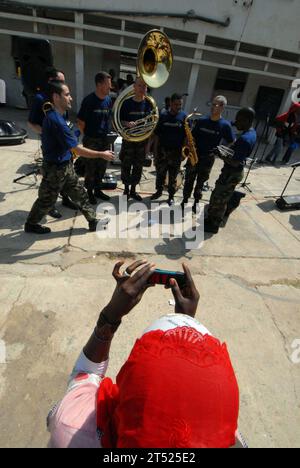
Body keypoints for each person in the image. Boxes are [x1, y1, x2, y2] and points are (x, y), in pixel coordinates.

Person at [47, 260, 246, 449]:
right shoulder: (230, 437)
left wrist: (111, 315)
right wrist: (185, 319)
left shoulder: (71, 429)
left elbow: (84, 375)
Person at [25, 81, 114, 235]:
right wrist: (101, 154)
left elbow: (69, 141)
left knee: (80, 194)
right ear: (56, 97)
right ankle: (31, 224)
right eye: (67, 95)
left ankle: (93, 222)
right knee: (46, 200)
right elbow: (77, 149)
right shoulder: (55, 120)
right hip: (55, 169)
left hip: (65, 166)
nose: (71, 98)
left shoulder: (57, 116)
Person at [28, 67, 78, 219]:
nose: (63, 84)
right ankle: (50, 206)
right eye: (60, 81)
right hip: (52, 145)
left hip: (65, 142)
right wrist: (49, 134)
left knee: (67, 173)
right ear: (51, 81)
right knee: (52, 178)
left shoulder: (62, 96)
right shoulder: (40, 98)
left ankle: (66, 199)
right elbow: (31, 122)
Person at [204, 108, 257, 234]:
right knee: (222, 195)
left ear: (247, 120)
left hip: (231, 173)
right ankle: (213, 217)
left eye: (238, 120)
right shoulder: (251, 132)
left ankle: (214, 224)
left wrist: (220, 154)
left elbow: (234, 162)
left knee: (219, 199)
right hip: (233, 172)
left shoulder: (245, 139)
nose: (235, 122)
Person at [182, 96, 235, 214]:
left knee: (201, 182)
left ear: (222, 107)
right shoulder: (202, 121)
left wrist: (222, 150)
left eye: (217, 105)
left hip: (208, 159)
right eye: (213, 104)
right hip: (194, 155)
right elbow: (193, 137)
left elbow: (231, 140)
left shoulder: (225, 125)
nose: (213, 107)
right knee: (189, 179)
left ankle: (196, 202)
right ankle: (184, 200)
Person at [77, 72, 113, 205]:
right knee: (90, 168)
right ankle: (90, 193)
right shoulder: (89, 101)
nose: (110, 87)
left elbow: (108, 117)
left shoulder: (108, 100)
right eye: (108, 85)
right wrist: (88, 136)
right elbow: (80, 122)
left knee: (102, 167)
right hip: (91, 140)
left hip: (105, 140)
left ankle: (98, 190)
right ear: (99, 85)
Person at [119, 77, 152, 201]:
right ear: (134, 87)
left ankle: (133, 190)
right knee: (126, 165)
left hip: (142, 142)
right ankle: (126, 190)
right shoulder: (126, 103)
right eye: (139, 85)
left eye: (144, 86)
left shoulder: (149, 104)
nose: (142, 88)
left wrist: (148, 146)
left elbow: (152, 122)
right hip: (128, 141)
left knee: (138, 167)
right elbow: (118, 120)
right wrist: (126, 123)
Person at [151, 93, 187, 206]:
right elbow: (156, 135)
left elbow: (187, 136)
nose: (178, 107)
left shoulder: (184, 117)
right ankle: (159, 191)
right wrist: (155, 152)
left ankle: (171, 196)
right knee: (160, 173)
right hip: (162, 151)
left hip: (176, 153)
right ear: (170, 103)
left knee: (173, 176)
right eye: (176, 104)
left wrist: (184, 153)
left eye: (180, 104)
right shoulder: (163, 116)